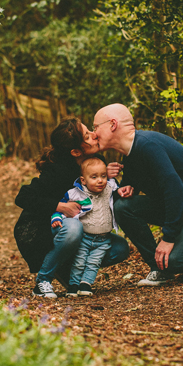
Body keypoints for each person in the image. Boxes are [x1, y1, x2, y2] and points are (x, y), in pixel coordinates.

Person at [92, 103, 183, 286]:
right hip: (179, 207)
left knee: (174, 261)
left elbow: (174, 188)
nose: (93, 134)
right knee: (123, 207)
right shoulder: (129, 154)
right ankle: (158, 268)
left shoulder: (148, 145)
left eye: (95, 127)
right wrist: (121, 189)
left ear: (113, 125)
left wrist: (168, 238)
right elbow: (121, 201)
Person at [14, 118, 130, 298]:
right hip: (44, 230)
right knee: (73, 229)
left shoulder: (96, 160)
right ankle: (43, 281)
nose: (94, 135)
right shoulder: (56, 170)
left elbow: (101, 197)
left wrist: (106, 178)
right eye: (87, 136)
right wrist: (60, 206)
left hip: (85, 232)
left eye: (89, 130)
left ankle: (66, 268)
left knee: (120, 248)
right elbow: (23, 197)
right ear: (76, 151)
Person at [50, 157, 133, 297]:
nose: (100, 180)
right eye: (94, 177)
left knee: (94, 263)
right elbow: (61, 207)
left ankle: (85, 285)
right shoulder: (76, 193)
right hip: (85, 237)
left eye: (103, 176)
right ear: (83, 180)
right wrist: (57, 218)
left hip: (103, 239)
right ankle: (73, 285)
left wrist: (122, 191)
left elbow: (118, 189)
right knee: (79, 261)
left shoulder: (109, 188)